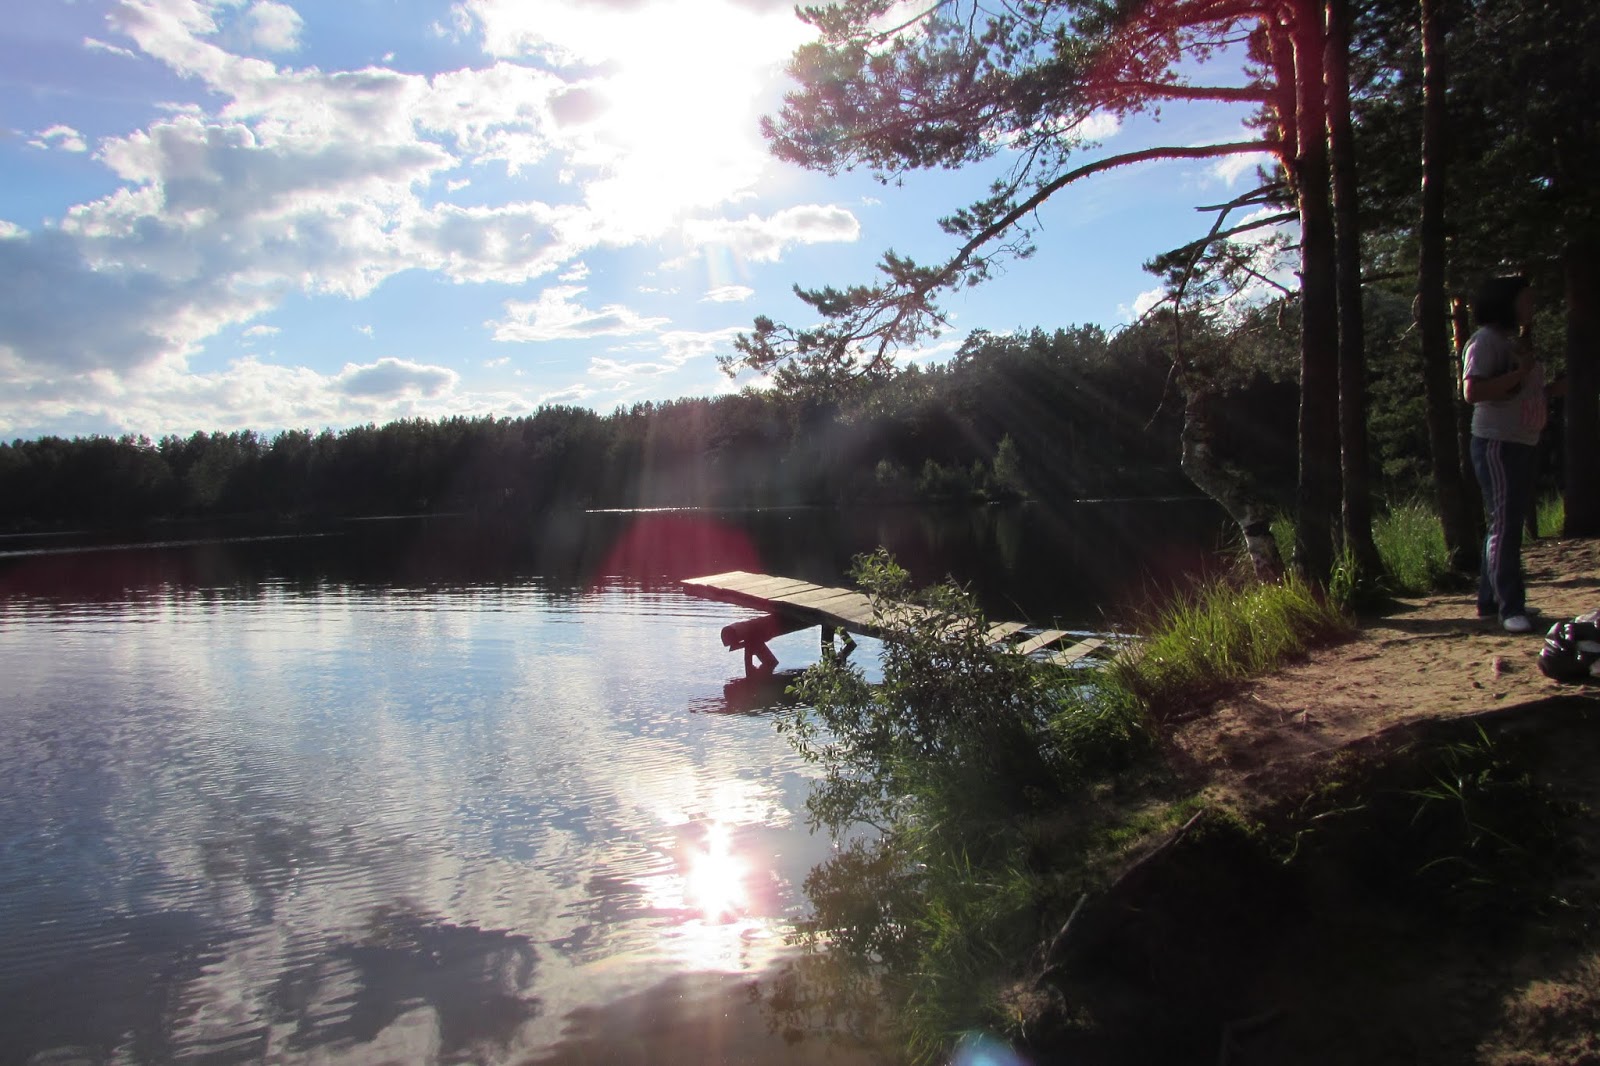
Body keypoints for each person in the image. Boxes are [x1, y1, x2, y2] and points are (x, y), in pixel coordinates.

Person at [1462, 275, 1546, 633]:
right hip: (1497, 443)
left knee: (1504, 523)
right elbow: (1473, 391)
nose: (1532, 307)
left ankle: (1489, 600)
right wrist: (1520, 374)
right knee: (1506, 527)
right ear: (1505, 303)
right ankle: (1511, 607)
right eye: (1526, 300)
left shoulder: (1512, 343)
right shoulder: (1484, 342)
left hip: (1520, 442)